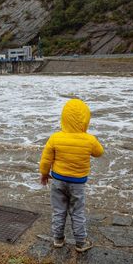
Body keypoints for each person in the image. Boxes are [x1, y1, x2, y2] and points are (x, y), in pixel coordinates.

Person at [39, 98, 104, 253]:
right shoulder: (89, 139)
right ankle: (80, 242)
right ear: (86, 120)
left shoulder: (55, 137)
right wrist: (87, 138)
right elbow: (99, 152)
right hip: (77, 183)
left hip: (58, 180)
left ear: (64, 118)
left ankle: (58, 239)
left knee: (58, 210)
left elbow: (46, 158)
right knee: (77, 212)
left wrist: (44, 174)